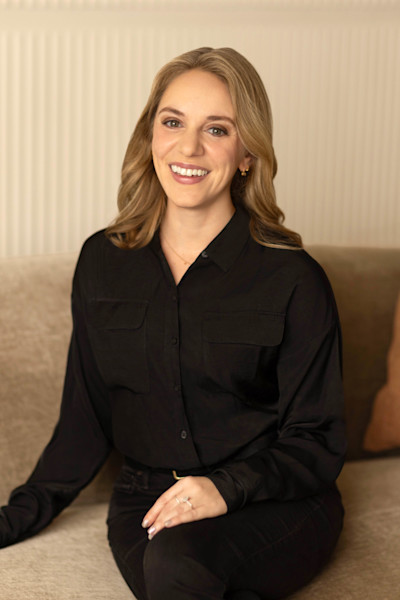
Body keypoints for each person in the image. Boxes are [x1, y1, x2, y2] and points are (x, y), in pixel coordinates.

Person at [0, 47, 347, 600]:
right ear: (150, 136)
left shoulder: (293, 278)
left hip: (272, 501)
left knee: (179, 566)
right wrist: (14, 519)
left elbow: (318, 441)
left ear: (248, 154)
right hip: (149, 500)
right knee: (175, 565)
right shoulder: (102, 262)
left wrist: (224, 488)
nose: (189, 147)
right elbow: (85, 419)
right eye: (172, 122)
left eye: (217, 129)